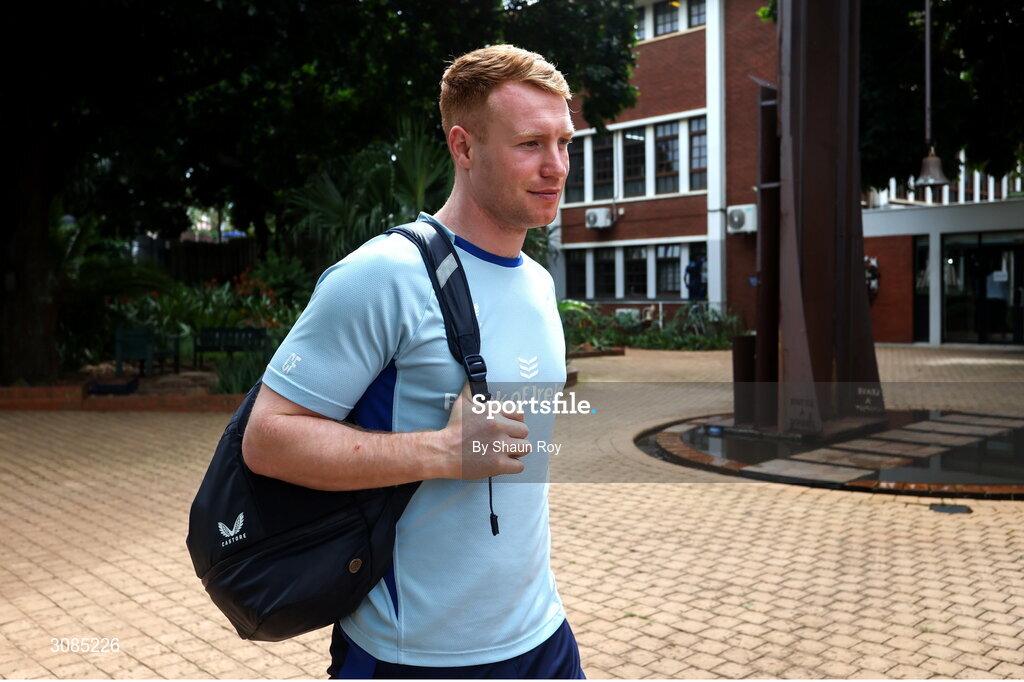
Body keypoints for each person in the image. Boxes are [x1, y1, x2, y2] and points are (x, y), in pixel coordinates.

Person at [241, 44, 584, 678]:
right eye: (530, 144)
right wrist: (441, 452)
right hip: (416, 655)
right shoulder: (384, 276)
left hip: (543, 637)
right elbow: (267, 440)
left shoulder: (538, 282)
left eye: (565, 142)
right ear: (464, 146)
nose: (556, 166)